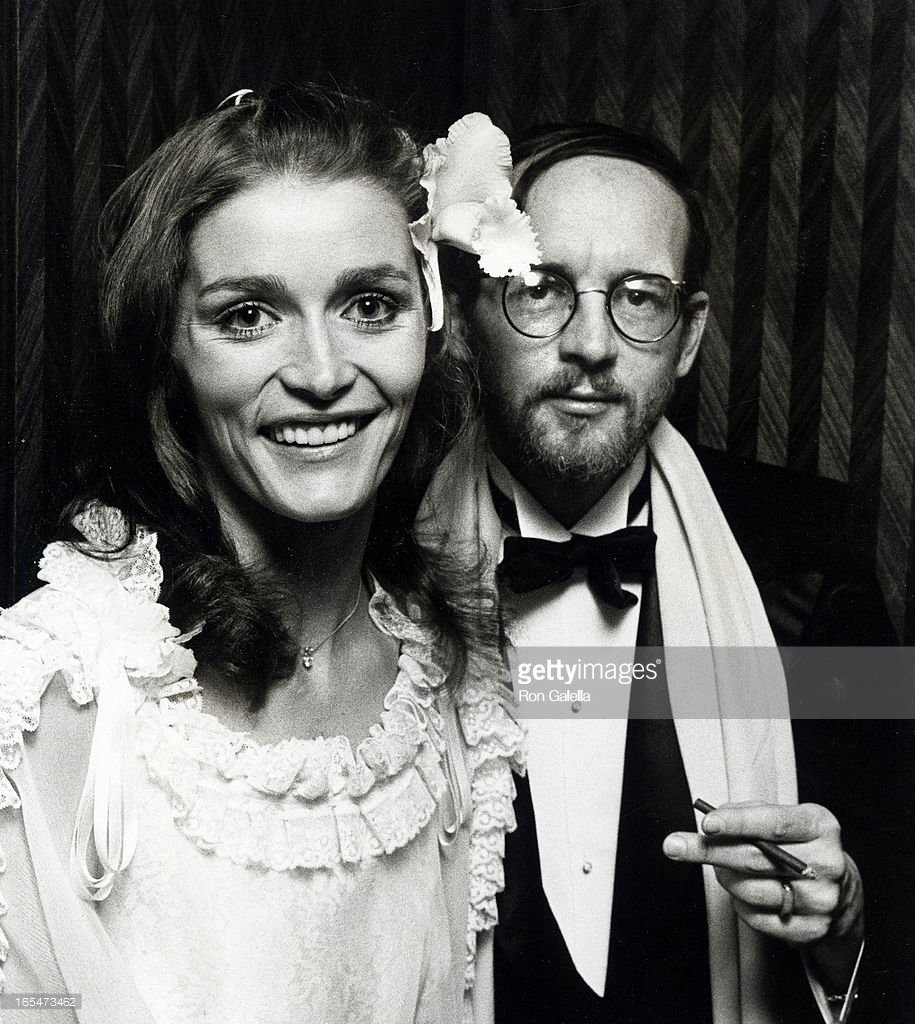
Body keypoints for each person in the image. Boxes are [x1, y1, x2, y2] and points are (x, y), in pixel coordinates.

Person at [0, 85, 526, 1024]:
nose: (322, 374)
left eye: (370, 304)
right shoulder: (56, 693)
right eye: (248, 316)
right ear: (171, 352)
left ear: (431, 321)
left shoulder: (446, 685)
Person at [420, 122, 909, 1022]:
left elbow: (895, 907)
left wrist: (846, 919)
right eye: (539, 287)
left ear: (685, 340)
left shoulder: (810, 561)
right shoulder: (374, 559)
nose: (592, 345)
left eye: (638, 299)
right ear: (466, 320)